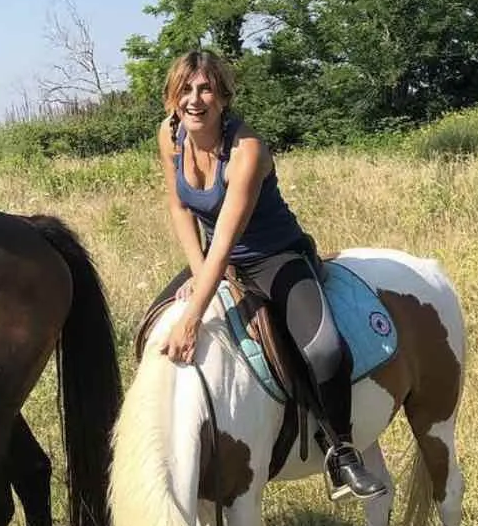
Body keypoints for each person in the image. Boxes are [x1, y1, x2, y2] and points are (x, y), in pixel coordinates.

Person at [155, 49, 384, 502]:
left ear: (223, 96)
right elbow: (180, 208)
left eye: (205, 89)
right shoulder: (170, 135)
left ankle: (341, 452)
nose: (194, 100)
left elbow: (227, 236)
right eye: (185, 90)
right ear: (172, 97)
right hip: (216, 260)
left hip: (274, 256)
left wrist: (195, 314)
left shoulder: (248, 149)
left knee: (324, 349)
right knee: (149, 325)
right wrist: (202, 275)